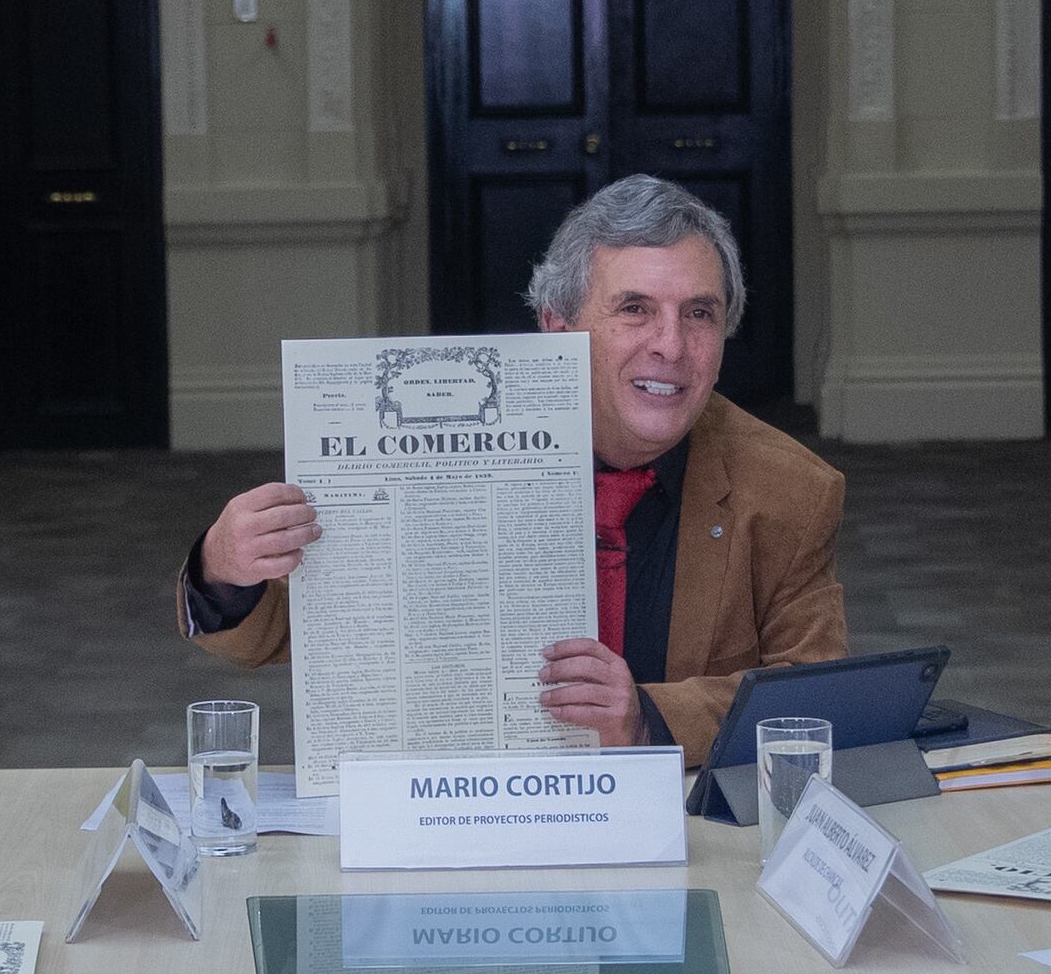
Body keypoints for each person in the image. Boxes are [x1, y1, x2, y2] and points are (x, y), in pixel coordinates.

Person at [179, 171, 848, 763]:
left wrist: (647, 717)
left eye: (699, 314)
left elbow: (816, 696)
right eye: (635, 309)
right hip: (459, 822)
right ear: (558, 327)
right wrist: (223, 565)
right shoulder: (437, 449)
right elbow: (272, 640)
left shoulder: (790, 492)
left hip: (673, 840)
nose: (670, 345)